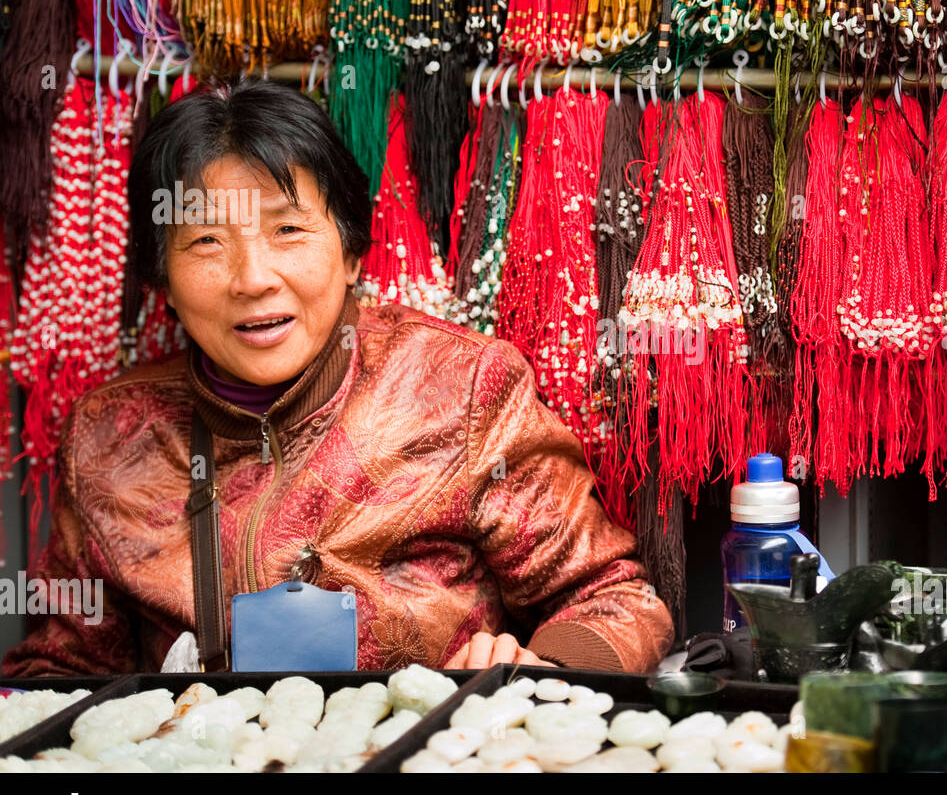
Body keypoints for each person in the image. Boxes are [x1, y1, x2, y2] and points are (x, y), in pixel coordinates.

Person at [2, 79, 673, 676]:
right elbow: (61, 667)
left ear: (352, 250)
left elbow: (618, 601)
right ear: (164, 283)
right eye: (207, 242)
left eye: (289, 229)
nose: (253, 278)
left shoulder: (462, 389)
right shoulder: (111, 439)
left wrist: (539, 671)